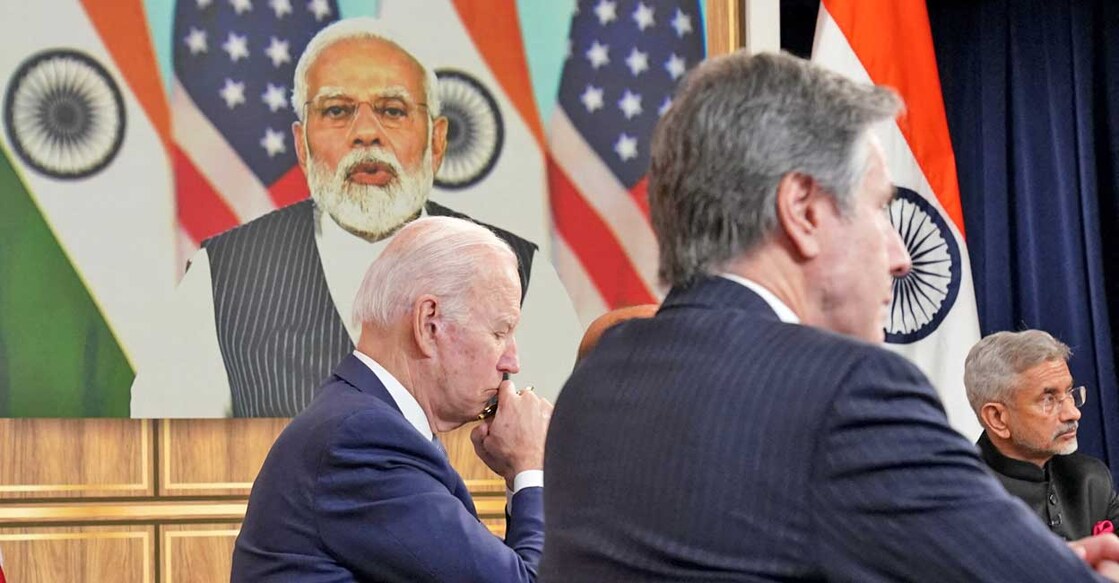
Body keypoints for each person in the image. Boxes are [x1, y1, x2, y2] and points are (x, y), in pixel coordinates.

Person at [540, 51, 1119, 581]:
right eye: (877, 210)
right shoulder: (846, 391)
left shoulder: (597, 379)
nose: (899, 257)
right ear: (804, 212)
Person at [130, 18, 581, 417]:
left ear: (437, 142)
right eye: (337, 111)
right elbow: (167, 445)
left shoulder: (522, 272)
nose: (366, 133)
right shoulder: (222, 273)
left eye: (392, 110)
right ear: (302, 146)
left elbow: (562, 448)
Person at [231, 216, 551, 581]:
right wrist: (530, 465)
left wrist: (518, 474)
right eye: (500, 332)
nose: (513, 361)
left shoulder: (369, 425)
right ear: (430, 324)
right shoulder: (361, 441)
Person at [965, 329, 1119, 539]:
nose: (1073, 413)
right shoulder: (962, 500)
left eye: (1070, 393)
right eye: (1048, 400)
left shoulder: (1090, 478)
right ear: (997, 418)